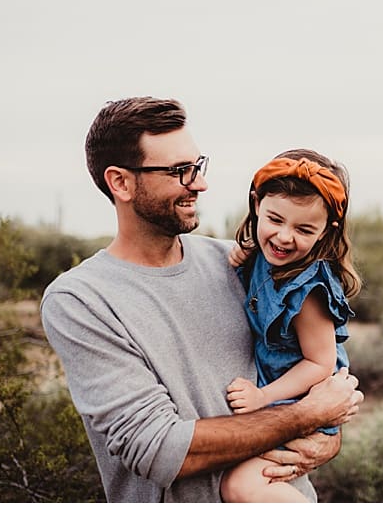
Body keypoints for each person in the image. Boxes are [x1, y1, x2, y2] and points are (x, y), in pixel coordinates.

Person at [40, 98, 360, 502]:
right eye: (180, 172)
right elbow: (157, 450)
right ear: (120, 182)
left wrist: (327, 433)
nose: (200, 183)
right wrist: (305, 416)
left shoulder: (240, 264)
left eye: (198, 166)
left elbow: (321, 368)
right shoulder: (81, 301)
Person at [219, 151, 359, 503]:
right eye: (275, 220)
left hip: (301, 402)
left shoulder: (309, 292)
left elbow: (320, 364)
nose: (283, 237)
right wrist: (246, 254)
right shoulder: (266, 258)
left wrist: (263, 397)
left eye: (304, 229)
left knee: (239, 486)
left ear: (327, 230)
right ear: (256, 206)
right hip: (279, 400)